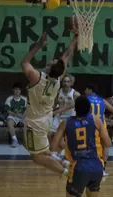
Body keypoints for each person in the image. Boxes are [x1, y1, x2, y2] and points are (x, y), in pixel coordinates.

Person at [20, 32, 77, 176]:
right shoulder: (58, 79)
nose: (51, 61)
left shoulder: (36, 78)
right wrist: (75, 38)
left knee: (37, 157)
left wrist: (38, 46)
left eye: (51, 62)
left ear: (49, 69)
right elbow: (67, 55)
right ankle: (64, 163)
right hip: (46, 119)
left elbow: (24, 63)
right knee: (43, 150)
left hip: (35, 124)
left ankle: (66, 173)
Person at [50, 95, 111, 197]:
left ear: (75, 108)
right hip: (97, 166)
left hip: (78, 167)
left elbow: (53, 147)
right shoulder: (97, 120)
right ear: (89, 108)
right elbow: (108, 143)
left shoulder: (65, 123)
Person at [84, 83, 113, 176]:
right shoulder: (102, 100)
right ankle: (103, 169)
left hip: (89, 125)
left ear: (90, 90)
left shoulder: (85, 99)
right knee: (105, 147)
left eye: (86, 89)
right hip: (101, 125)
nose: (85, 91)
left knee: (89, 146)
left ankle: (87, 167)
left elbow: (73, 108)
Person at [49, 74, 81, 157]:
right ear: (62, 82)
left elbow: (81, 106)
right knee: (50, 134)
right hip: (59, 117)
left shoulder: (75, 94)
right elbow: (54, 104)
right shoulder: (58, 92)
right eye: (64, 81)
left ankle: (63, 151)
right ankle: (53, 151)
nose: (66, 83)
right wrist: (50, 113)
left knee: (69, 137)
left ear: (71, 83)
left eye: (68, 81)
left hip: (70, 117)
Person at [4, 83, 27, 147]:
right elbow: (8, 110)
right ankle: (15, 140)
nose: (17, 91)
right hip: (13, 116)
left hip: (23, 116)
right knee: (9, 122)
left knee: (27, 122)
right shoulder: (9, 99)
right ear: (13, 90)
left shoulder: (24, 99)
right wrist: (15, 115)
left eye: (19, 90)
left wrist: (23, 116)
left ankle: (26, 141)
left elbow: (27, 110)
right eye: (16, 89)